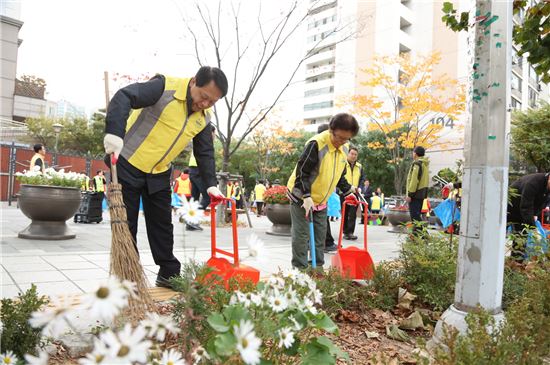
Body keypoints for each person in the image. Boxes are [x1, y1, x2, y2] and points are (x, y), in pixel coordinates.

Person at [103, 66, 227, 288]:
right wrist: (114, 132)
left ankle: (168, 273)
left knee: (162, 224)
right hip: (127, 164)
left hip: (159, 172)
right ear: (193, 82)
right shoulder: (164, 87)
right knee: (126, 222)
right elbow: (125, 96)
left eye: (212, 102)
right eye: (204, 97)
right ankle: (128, 276)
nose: (205, 104)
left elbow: (205, 152)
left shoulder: (203, 119)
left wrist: (211, 185)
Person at [287, 113, 358, 269]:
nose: (342, 142)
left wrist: (348, 191)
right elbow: (302, 172)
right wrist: (306, 196)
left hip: (321, 200)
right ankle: (299, 272)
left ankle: (317, 269)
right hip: (301, 196)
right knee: (302, 236)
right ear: (331, 130)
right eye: (339, 138)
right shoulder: (316, 144)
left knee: (320, 237)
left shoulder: (344, 148)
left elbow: (339, 174)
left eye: (347, 139)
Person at [507, 172, 550, 261]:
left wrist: (535, 214)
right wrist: (533, 228)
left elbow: (542, 202)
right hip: (510, 208)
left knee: (521, 237)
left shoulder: (547, 187)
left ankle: (516, 264)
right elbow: (526, 206)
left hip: (522, 212)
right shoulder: (533, 183)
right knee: (498, 234)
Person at [189, 125, 217, 209]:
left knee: (194, 198)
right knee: (207, 197)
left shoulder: (197, 141)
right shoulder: (205, 143)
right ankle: (195, 215)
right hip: (199, 170)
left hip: (192, 170)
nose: (214, 135)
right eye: (214, 133)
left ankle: (190, 220)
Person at [341, 146, 365, 240]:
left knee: (352, 213)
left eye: (355, 154)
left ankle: (350, 232)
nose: (353, 156)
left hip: (355, 192)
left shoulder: (359, 166)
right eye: (352, 153)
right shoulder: (343, 164)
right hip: (344, 191)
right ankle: (345, 231)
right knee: (345, 212)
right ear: (348, 154)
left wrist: (360, 187)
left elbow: (362, 178)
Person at [406, 146, 430, 233]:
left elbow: (414, 180)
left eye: (413, 152)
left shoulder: (417, 164)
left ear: (415, 154)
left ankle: (424, 236)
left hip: (415, 194)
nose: (412, 154)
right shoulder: (425, 164)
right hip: (421, 194)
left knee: (415, 218)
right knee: (416, 216)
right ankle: (416, 237)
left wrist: (410, 194)